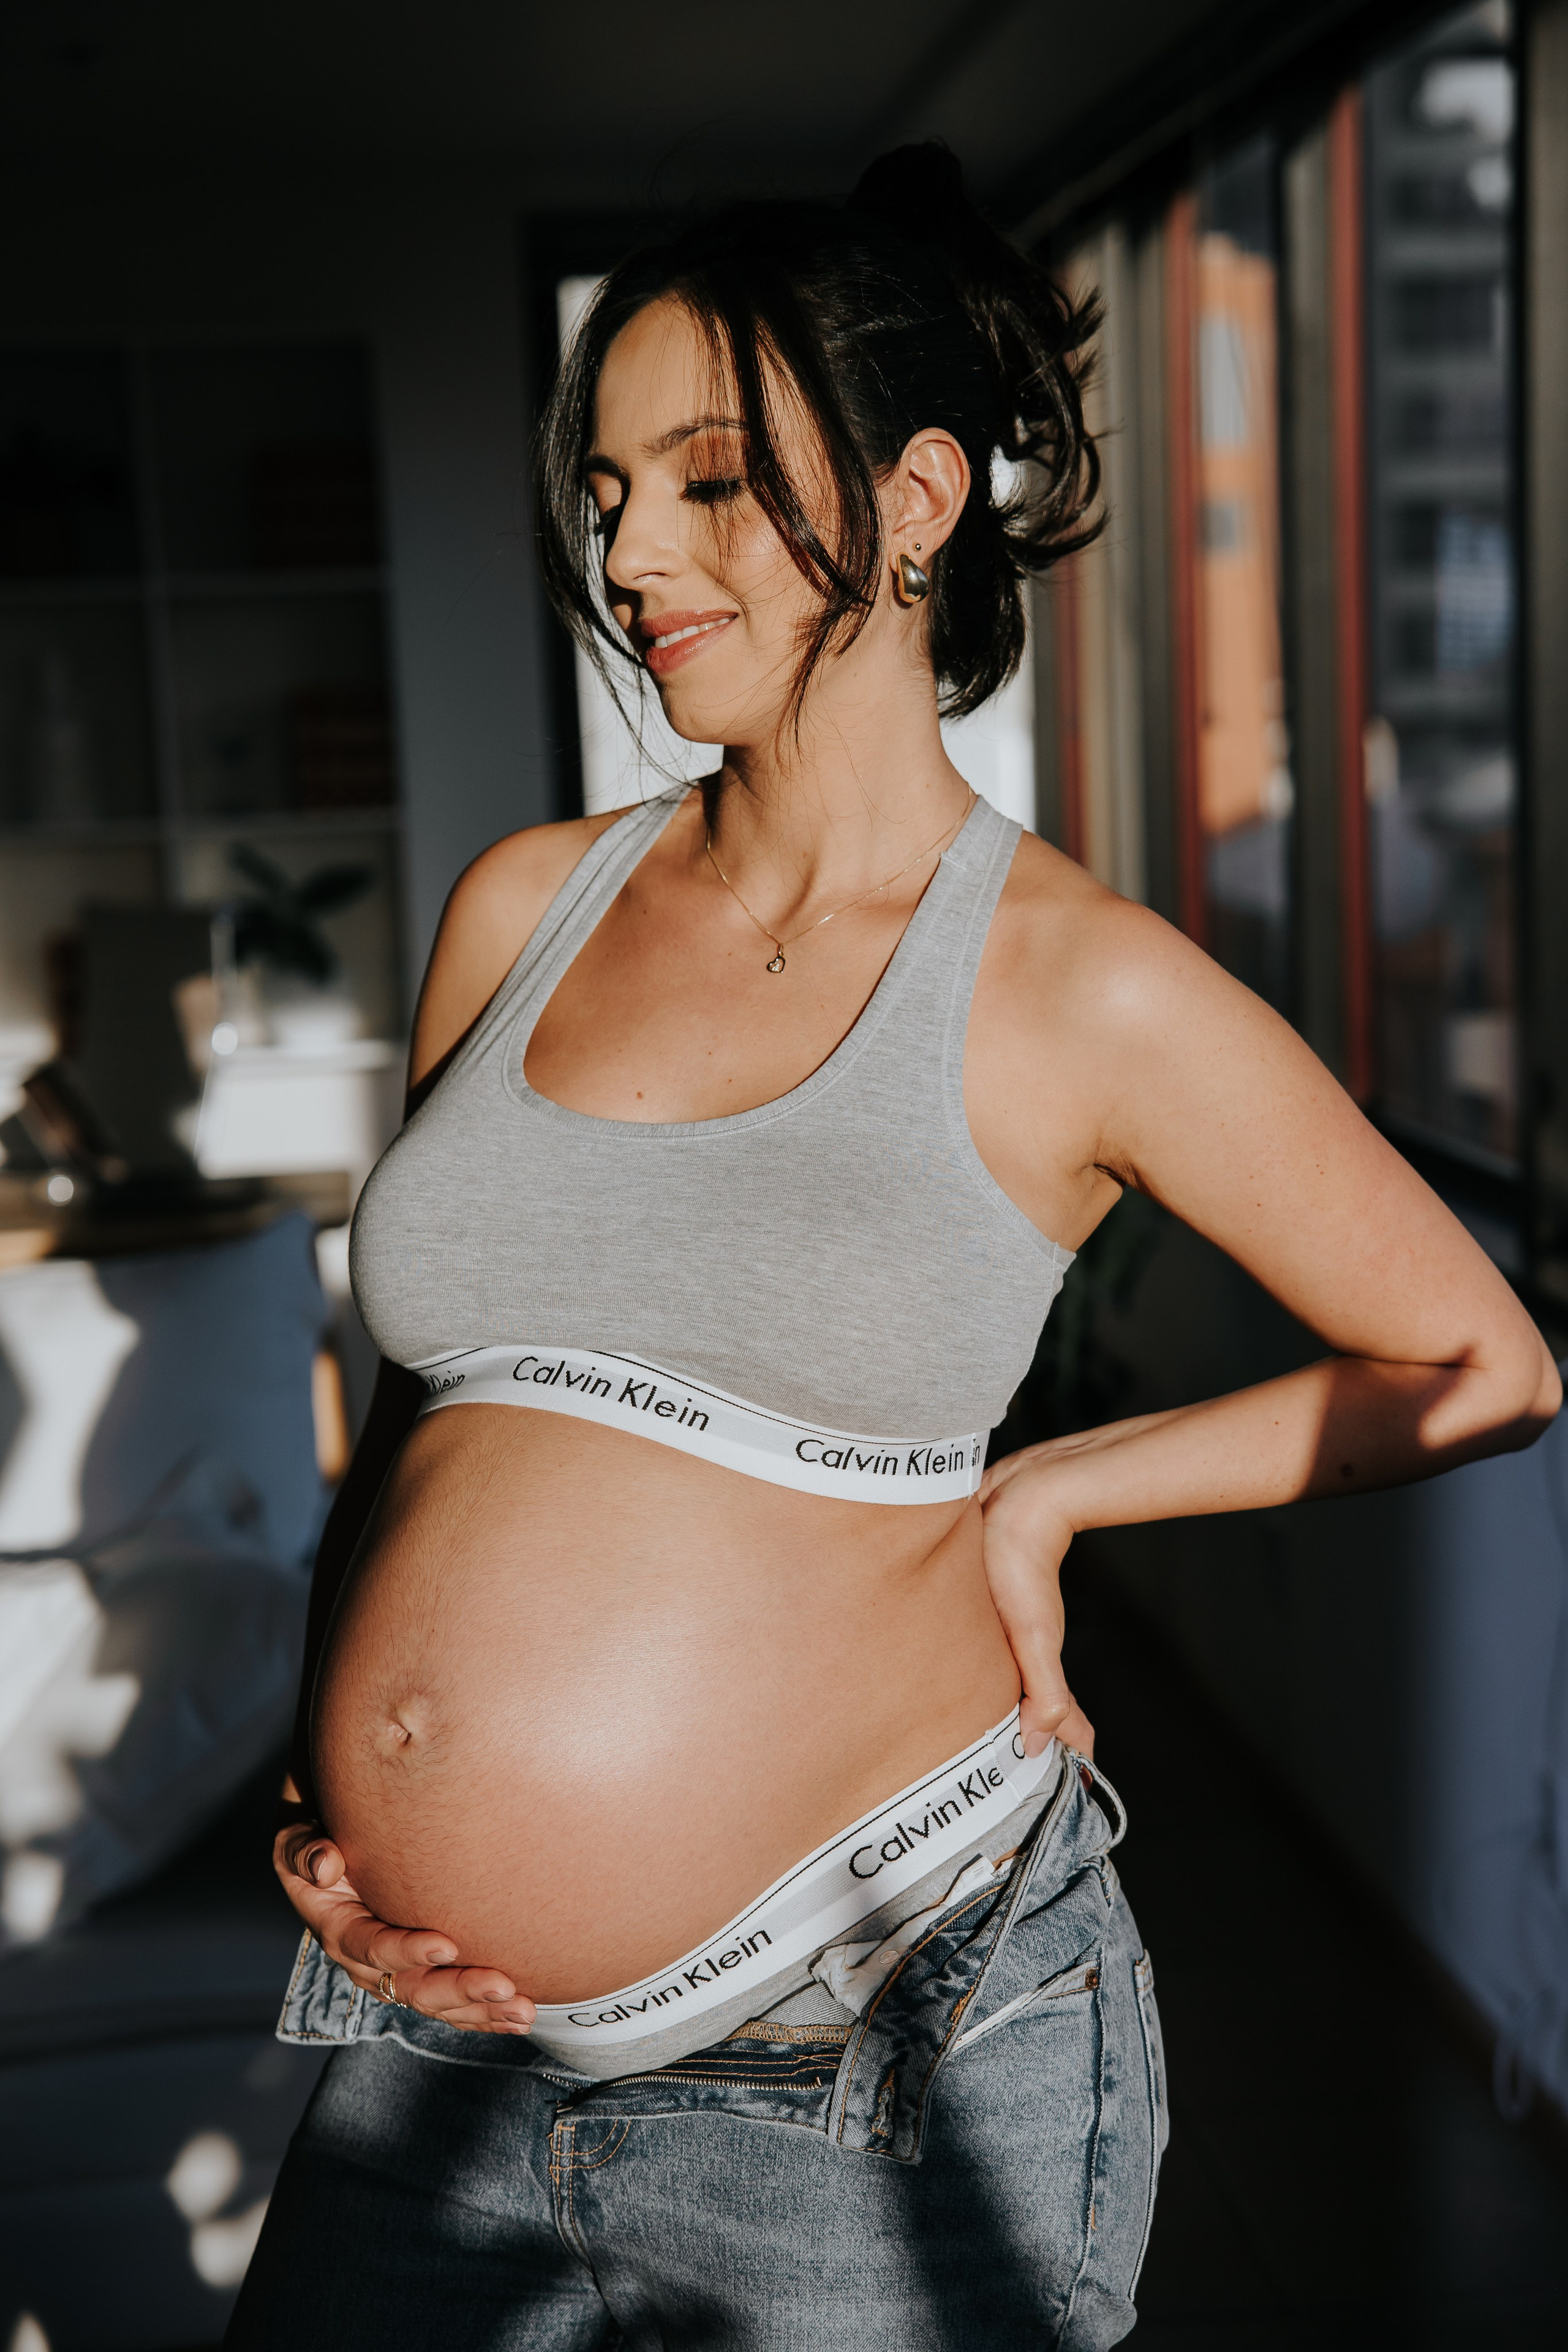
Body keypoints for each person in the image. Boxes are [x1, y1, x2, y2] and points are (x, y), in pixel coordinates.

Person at [227, 145, 1559, 2350]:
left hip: (876, 2062)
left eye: (712, 481)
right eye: (612, 493)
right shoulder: (521, 903)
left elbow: (1483, 1362)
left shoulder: (1075, 986)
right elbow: (423, 1427)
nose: (634, 550)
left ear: (920, 497)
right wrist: (334, 1782)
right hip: (425, 2045)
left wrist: (1054, 1492)